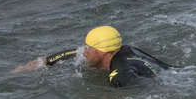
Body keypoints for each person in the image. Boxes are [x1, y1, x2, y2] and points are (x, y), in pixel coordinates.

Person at [13, 25, 171, 88]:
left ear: (103, 52)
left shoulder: (119, 75)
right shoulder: (121, 50)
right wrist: (41, 63)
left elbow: (152, 88)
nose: (83, 52)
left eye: (88, 48)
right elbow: (69, 54)